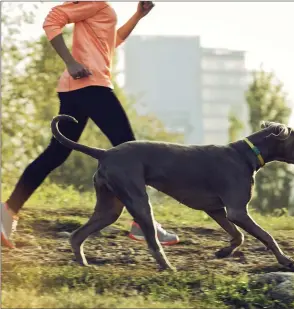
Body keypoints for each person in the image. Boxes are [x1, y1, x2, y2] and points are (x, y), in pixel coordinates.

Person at [1, 1, 179, 249]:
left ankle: (8, 211)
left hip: (79, 89)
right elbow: (52, 20)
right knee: (131, 152)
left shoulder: (100, 7)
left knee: (56, 153)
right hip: (91, 86)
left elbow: (110, 42)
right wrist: (70, 62)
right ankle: (142, 223)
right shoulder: (95, 2)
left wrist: (137, 16)